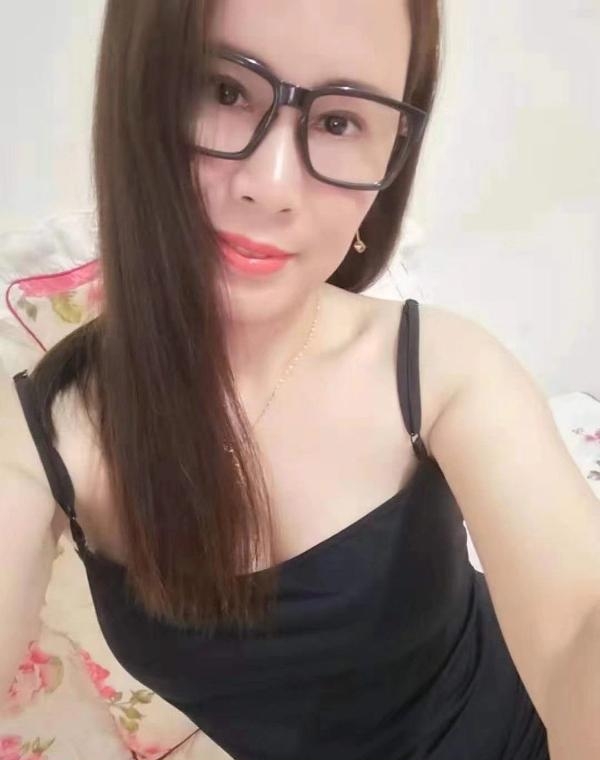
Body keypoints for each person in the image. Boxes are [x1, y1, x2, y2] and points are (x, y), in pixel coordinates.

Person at [2, 1, 599, 758]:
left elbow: (578, 627)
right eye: (223, 90)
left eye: (340, 121)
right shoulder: (48, 434)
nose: (273, 184)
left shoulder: (440, 371)